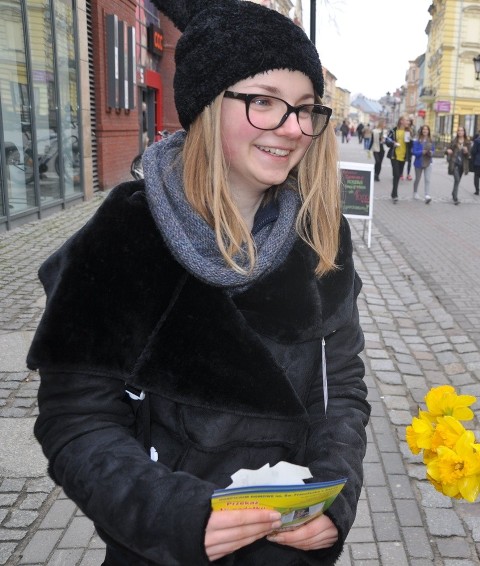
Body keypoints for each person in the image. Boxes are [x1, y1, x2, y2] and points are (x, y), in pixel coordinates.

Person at [27, 1, 371, 564]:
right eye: (264, 102)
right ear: (208, 105)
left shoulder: (320, 237)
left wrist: (335, 497)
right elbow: (76, 420)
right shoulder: (125, 235)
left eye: (306, 109)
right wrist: (175, 516)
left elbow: (342, 392)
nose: (293, 129)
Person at [384, 116, 410, 203]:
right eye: (406, 120)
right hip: (394, 156)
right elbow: (387, 141)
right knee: (396, 174)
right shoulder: (394, 130)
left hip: (403, 157)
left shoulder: (408, 131)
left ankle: (393, 193)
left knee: (398, 175)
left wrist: (411, 141)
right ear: (401, 121)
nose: (408, 122)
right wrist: (393, 143)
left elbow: (410, 144)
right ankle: (395, 195)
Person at [444, 126, 471, 205]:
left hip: (462, 164)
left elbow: (469, 155)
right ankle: (455, 198)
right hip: (454, 162)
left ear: (464, 132)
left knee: (458, 180)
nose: (460, 132)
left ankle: (453, 193)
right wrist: (447, 151)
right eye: (458, 130)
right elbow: (447, 150)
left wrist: (466, 152)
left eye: (461, 130)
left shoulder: (467, 142)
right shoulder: (454, 141)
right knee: (457, 179)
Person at [412, 125, 435, 204]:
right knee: (417, 179)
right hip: (419, 162)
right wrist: (422, 152)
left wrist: (431, 153)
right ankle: (415, 192)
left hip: (428, 162)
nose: (425, 131)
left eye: (427, 129)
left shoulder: (431, 140)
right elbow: (414, 152)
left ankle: (427, 195)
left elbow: (433, 150)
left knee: (427, 179)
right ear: (421, 131)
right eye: (424, 129)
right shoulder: (417, 141)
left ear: (428, 131)